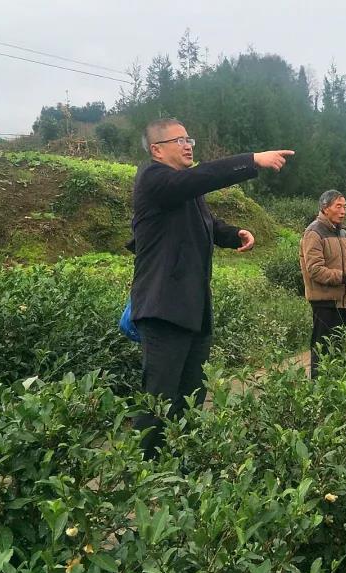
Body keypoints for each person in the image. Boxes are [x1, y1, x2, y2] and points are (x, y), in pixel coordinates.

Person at [128, 117, 294, 460]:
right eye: (180, 140)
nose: (188, 145)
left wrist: (233, 235)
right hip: (163, 311)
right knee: (158, 400)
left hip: (193, 311)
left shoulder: (185, 191)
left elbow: (205, 222)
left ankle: (180, 468)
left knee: (190, 398)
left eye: (190, 139)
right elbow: (201, 177)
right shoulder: (153, 179)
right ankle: (140, 474)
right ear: (157, 150)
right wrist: (252, 160)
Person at [300, 190, 346, 379]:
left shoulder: (342, 232)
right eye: (338, 206)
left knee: (338, 347)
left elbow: (345, 264)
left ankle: (336, 391)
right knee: (322, 349)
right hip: (324, 301)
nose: (343, 211)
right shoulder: (313, 232)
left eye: (344, 206)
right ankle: (317, 392)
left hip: (341, 300)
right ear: (325, 207)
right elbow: (315, 270)